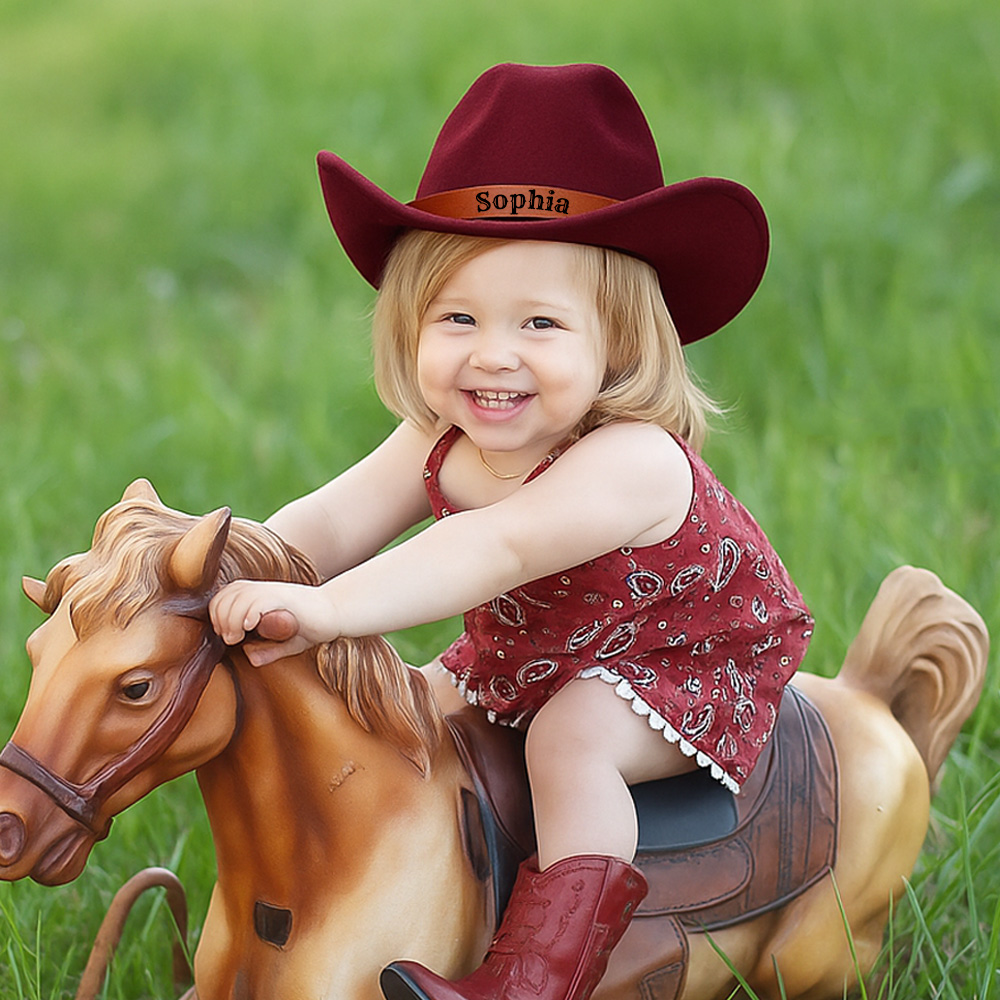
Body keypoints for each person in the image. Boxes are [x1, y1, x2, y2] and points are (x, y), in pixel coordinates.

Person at [209, 63, 813, 1000]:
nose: (493, 354)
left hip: (679, 661)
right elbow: (328, 520)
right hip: (534, 649)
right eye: (457, 317)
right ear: (410, 322)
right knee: (404, 733)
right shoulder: (439, 434)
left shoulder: (632, 459)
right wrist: (223, 570)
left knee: (568, 743)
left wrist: (324, 612)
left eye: (540, 321)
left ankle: (537, 977)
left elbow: (491, 549)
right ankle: (376, 908)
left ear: (618, 341)